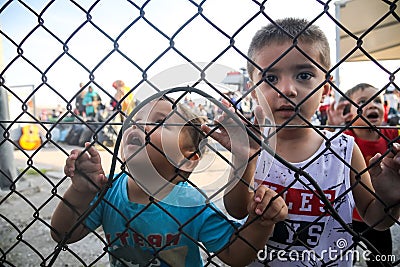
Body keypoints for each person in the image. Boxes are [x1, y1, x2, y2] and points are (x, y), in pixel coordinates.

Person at [202, 18, 400, 266]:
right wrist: (244, 159)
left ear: (326, 88)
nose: (287, 89)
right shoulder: (252, 146)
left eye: (304, 75)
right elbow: (238, 210)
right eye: (271, 78)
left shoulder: (344, 150)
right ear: (253, 90)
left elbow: (375, 220)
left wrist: (389, 200)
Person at [50, 97, 288, 266]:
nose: (139, 125)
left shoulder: (192, 204)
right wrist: (81, 191)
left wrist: (261, 222)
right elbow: (63, 235)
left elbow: (234, 254)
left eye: (159, 121)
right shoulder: (108, 189)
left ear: (187, 160)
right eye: (136, 118)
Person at [328, 83, 397, 267]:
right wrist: (333, 128)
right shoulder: (345, 138)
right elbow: (326, 149)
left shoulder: (392, 135)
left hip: (381, 210)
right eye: (363, 102)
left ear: (385, 109)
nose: (372, 105)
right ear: (349, 112)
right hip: (348, 216)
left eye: (377, 101)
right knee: (342, 259)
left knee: (382, 259)